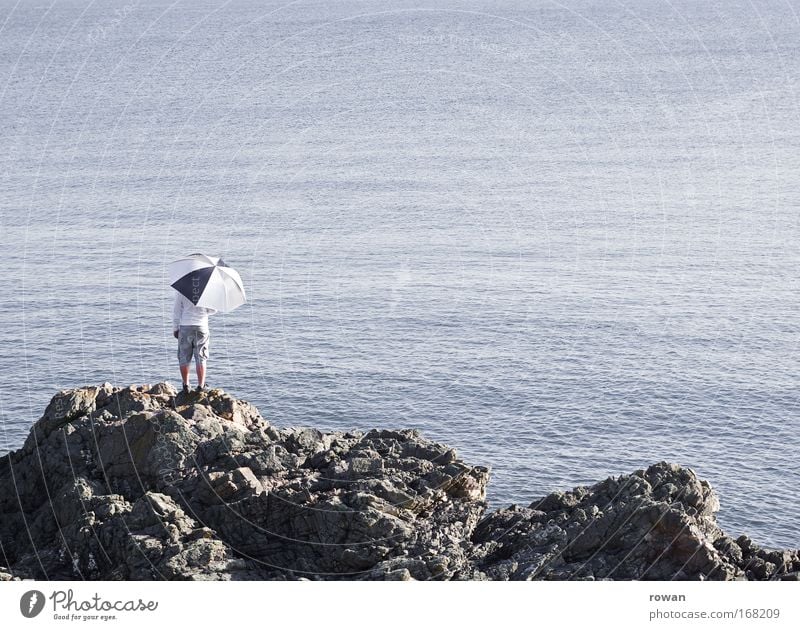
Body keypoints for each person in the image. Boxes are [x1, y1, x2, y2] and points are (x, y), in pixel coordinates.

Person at [172, 290, 217, 394]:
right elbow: (213, 310)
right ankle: (201, 386)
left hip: (185, 325)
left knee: (184, 357)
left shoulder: (181, 288)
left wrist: (175, 328)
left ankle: (186, 385)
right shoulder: (206, 289)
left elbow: (176, 310)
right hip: (201, 326)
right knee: (201, 357)